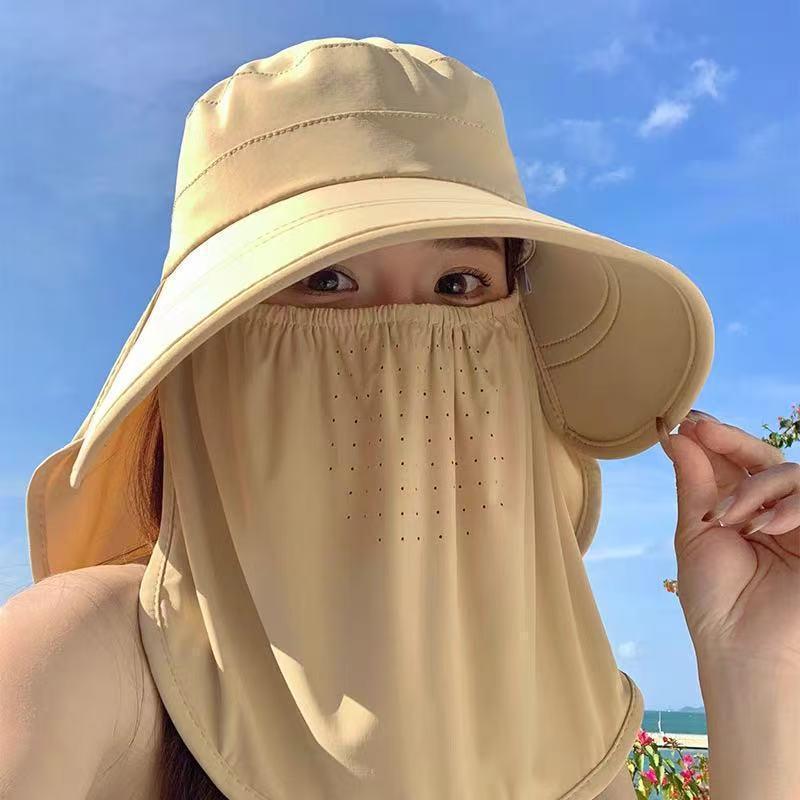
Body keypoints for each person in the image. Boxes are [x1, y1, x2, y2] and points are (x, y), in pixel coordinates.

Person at [3, 36, 798, 800]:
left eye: (459, 284)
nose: (401, 348)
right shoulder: (82, 660)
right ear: (207, 353)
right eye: (324, 280)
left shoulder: (554, 706)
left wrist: (752, 657)